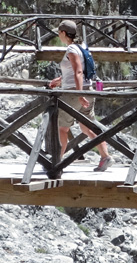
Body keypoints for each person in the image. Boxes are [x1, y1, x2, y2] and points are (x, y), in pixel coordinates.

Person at [47, 20, 112, 172]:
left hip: (74, 93)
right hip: (88, 90)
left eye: (59, 32)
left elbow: (78, 72)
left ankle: (57, 163)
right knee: (87, 125)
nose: (58, 35)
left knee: (61, 128)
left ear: (63, 33)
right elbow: (77, 70)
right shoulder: (82, 46)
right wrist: (61, 79)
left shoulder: (71, 48)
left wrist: (79, 93)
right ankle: (105, 156)